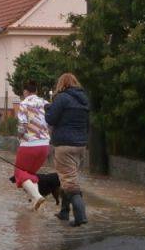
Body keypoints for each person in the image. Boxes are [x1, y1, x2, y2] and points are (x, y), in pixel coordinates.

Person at [45, 72, 89, 226]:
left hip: (64, 145)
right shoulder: (84, 100)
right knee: (68, 177)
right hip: (81, 145)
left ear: (61, 84)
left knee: (69, 181)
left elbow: (50, 119)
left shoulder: (62, 98)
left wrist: (48, 108)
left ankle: (80, 217)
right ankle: (64, 212)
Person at [14, 80, 50, 210]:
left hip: (29, 144)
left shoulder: (24, 103)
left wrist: (19, 137)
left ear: (25, 92)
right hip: (45, 145)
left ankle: (37, 197)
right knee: (30, 173)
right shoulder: (45, 103)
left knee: (19, 172)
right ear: (36, 91)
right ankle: (36, 206)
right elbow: (51, 121)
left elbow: (22, 125)